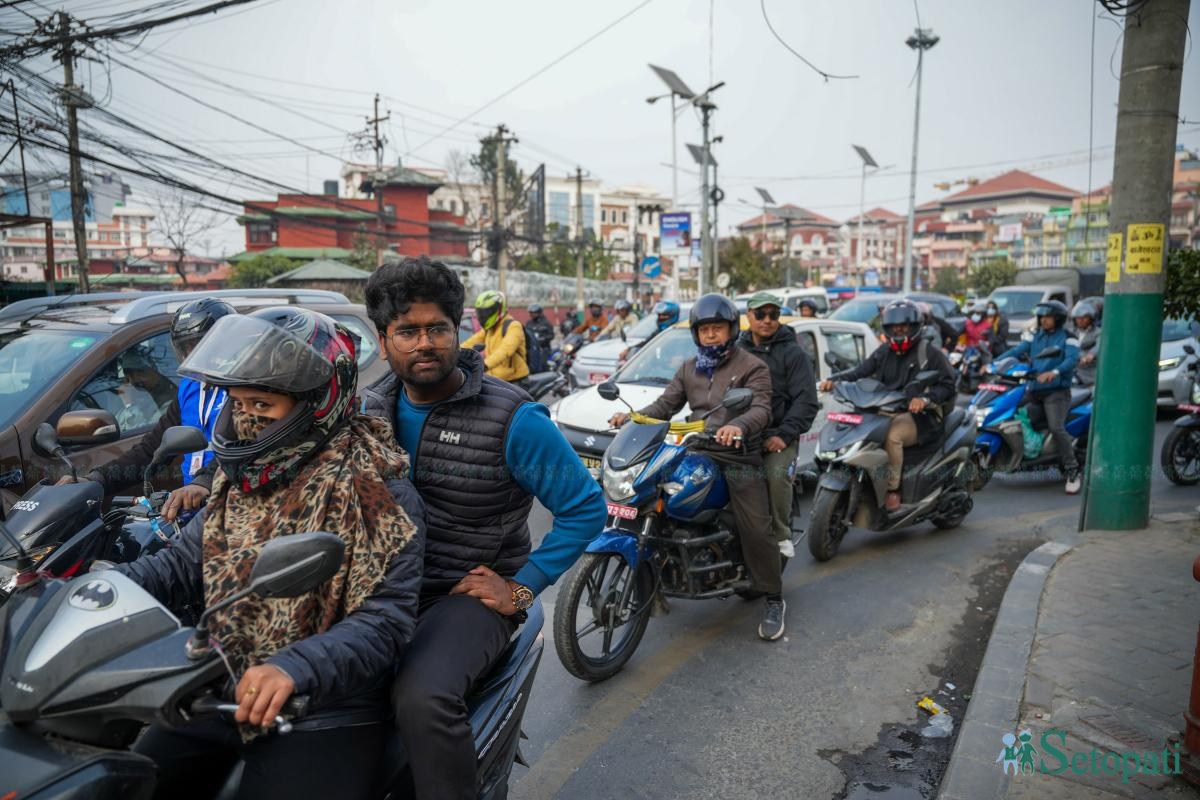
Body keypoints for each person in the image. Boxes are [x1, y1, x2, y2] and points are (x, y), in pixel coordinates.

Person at [113, 307, 426, 800]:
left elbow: (384, 621)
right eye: (238, 404)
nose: (246, 419)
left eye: (262, 404)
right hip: (223, 681)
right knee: (130, 783)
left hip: (322, 706)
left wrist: (293, 667)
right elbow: (176, 566)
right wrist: (94, 593)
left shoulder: (375, 491)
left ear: (316, 404)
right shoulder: (237, 481)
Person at [361, 256, 607, 800]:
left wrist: (522, 586)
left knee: (422, 697)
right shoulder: (368, 410)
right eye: (407, 331)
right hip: (382, 590)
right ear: (383, 342)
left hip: (465, 592)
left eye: (437, 328)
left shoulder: (514, 418)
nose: (424, 343)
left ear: (458, 331)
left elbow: (586, 508)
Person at [609, 294, 785, 641]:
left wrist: (739, 426)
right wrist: (632, 417)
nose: (711, 335)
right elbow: (665, 405)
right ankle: (657, 574)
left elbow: (762, 408)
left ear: (731, 330)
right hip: (695, 448)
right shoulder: (689, 367)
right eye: (705, 330)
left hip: (737, 454)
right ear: (696, 333)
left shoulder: (752, 367)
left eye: (717, 329)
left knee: (756, 527)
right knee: (649, 497)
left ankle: (773, 598)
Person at [62, 299, 236, 522]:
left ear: (226, 343)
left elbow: (243, 447)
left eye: (200, 345)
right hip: (194, 514)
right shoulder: (190, 388)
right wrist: (96, 480)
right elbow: (150, 450)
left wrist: (203, 482)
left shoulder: (244, 392)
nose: (194, 355)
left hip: (233, 509)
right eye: (187, 348)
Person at [818, 300, 957, 512]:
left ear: (915, 326)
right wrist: (835, 380)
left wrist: (925, 400)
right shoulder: (884, 351)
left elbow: (949, 385)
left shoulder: (929, 353)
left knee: (892, 436)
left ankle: (893, 489)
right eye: (893, 327)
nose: (898, 331)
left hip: (920, 416)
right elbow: (860, 371)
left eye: (903, 327)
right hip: (883, 408)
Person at [738, 292, 819, 559]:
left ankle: (782, 535)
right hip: (741, 434)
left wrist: (784, 436)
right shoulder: (737, 350)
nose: (767, 320)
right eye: (760, 314)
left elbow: (806, 402)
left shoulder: (793, 353)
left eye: (773, 315)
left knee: (775, 474)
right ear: (748, 316)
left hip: (777, 437)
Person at [994, 300, 1082, 494]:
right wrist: (995, 363)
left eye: (1047, 317)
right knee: (1008, 414)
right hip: (1034, 391)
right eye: (1041, 317)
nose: (1043, 320)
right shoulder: (1035, 336)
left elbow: (1072, 359)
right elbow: (1017, 351)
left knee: (1056, 427)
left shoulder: (1068, 337)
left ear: (1057, 319)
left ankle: (1072, 470)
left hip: (1056, 392)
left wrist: (1055, 372)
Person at [461, 290, 529, 383]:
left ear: (499, 309)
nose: (483, 316)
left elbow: (505, 350)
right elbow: (471, 341)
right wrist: (455, 352)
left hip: (515, 380)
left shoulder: (513, 326)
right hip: (497, 379)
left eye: (487, 311)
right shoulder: (490, 328)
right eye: (481, 312)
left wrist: (485, 364)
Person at [1070, 301, 1100, 387]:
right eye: (1078, 318)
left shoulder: (1098, 332)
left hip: (1089, 372)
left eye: (1084, 318)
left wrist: (1091, 354)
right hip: (1072, 370)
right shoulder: (1072, 332)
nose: (1080, 320)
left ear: (1091, 318)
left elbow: (1100, 344)